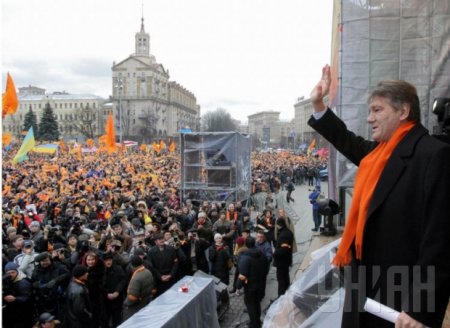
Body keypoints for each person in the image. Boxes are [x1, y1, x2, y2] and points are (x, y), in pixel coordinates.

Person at [308, 64, 450, 328]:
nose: (369, 119)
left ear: (404, 111)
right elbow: (345, 139)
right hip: (363, 289)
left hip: (400, 303)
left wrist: (419, 309)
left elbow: (439, 242)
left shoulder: (433, 156)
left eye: (377, 110)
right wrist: (318, 104)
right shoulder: (378, 154)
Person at [236, 237, 267, 328]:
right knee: (257, 302)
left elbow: (242, 275)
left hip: (250, 286)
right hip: (261, 284)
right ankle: (257, 321)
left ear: (246, 245)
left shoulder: (245, 258)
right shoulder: (261, 254)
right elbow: (266, 267)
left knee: (250, 305)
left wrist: (238, 286)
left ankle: (254, 324)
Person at [2, 261, 35, 328]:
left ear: (17, 271)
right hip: (12, 312)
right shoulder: (7, 280)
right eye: (8, 273)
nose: (11, 274)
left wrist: (15, 298)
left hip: (23, 313)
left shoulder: (23, 282)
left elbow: (29, 298)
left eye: (13, 272)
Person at [122, 255, 154, 321]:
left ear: (132, 265)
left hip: (136, 307)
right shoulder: (147, 271)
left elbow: (133, 297)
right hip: (145, 302)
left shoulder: (136, 278)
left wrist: (126, 301)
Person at [272, 217, 294, 297]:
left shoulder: (283, 235)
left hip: (281, 262)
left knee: (281, 280)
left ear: (278, 225)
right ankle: (286, 292)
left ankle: (281, 297)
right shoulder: (288, 232)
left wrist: (274, 253)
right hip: (286, 260)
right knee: (285, 277)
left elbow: (283, 249)